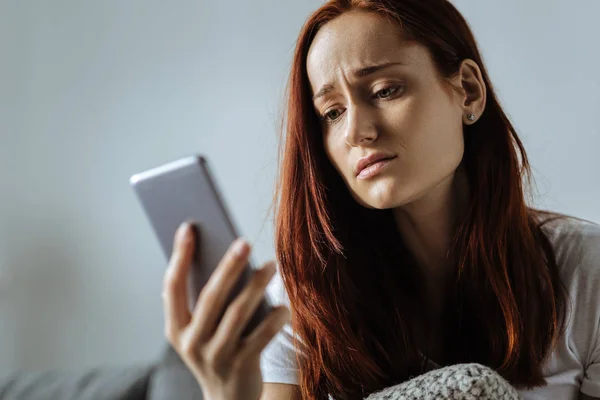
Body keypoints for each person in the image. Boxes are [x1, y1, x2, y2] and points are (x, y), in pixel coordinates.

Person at [161, 0, 600, 399]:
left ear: (467, 90)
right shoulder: (303, 302)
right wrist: (225, 394)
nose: (356, 132)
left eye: (386, 90)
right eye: (332, 112)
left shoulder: (586, 273)